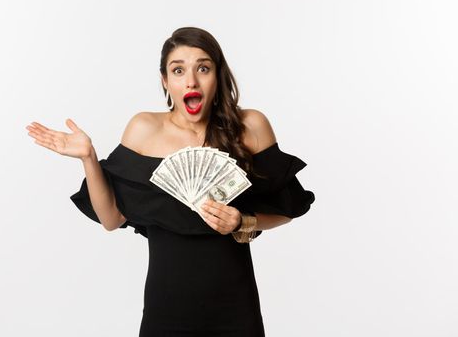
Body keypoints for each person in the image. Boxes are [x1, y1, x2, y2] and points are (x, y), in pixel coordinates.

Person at [26, 26, 315, 336]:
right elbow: (111, 218)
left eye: (203, 68)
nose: (191, 80)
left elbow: (287, 209)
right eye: (178, 70)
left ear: (217, 75)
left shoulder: (251, 126)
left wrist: (243, 221)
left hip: (234, 307)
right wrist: (89, 158)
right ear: (165, 80)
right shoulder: (143, 128)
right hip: (166, 310)